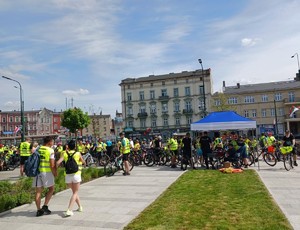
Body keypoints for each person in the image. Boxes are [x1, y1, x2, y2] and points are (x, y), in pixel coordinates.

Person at [56, 140, 85, 217]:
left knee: (74, 192)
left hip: (68, 175)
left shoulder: (64, 153)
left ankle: (80, 207)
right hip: (76, 174)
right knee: (75, 193)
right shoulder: (78, 153)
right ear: (75, 147)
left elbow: (58, 162)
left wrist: (56, 169)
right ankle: (69, 210)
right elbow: (83, 162)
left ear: (68, 146)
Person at [33, 136, 57, 217]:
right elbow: (52, 164)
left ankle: (38, 210)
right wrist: (55, 173)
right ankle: (45, 206)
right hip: (47, 172)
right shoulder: (50, 150)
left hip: (37, 172)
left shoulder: (38, 149)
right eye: (52, 141)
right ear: (49, 142)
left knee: (38, 191)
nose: (53, 143)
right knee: (51, 189)